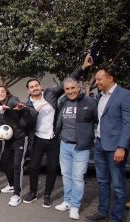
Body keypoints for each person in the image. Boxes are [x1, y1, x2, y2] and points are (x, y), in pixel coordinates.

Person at [23, 54, 93, 208]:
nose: (34, 88)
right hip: (37, 139)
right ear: (28, 90)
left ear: (40, 86)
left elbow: (66, 82)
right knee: (34, 167)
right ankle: (33, 192)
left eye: (36, 85)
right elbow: (25, 123)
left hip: (54, 138)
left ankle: (47, 195)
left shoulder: (50, 94)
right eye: (31, 87)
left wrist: (82, 68)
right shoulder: (27, 106)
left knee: (52, 167)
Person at [85, 68, 130, 222]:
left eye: (99, 79)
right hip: (100, 145)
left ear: (110, 78)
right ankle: (102, 212)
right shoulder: (100, 96)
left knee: (118, 185)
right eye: (96, 80)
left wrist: (122, 147)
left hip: (115, 148)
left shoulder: (124, 95)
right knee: (102, 182)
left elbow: (128, 123)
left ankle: (116, 220)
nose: (97, 82)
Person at [54, 78, 98, 220]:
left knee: (78, 177)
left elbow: (98, 121)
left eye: (73, 88)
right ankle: (67, 201)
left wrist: (92, 137)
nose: (70, 91)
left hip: (81, 147)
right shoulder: (63, 102)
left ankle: (75, 206)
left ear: (78, 88)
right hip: (65, 144)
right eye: (67, 89)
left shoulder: (90, 102)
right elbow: (59, 121)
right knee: (66, 175)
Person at [0, 86, 37, 206]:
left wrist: (18, 107)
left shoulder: (12, 101)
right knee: (5, 162)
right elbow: (0, 123)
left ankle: (16, 194)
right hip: (8, 140)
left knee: (17, 165)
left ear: (7, 93)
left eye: (3, 91)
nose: (1, 93)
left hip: (20, 138)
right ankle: (12, 184)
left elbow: (18, 104)